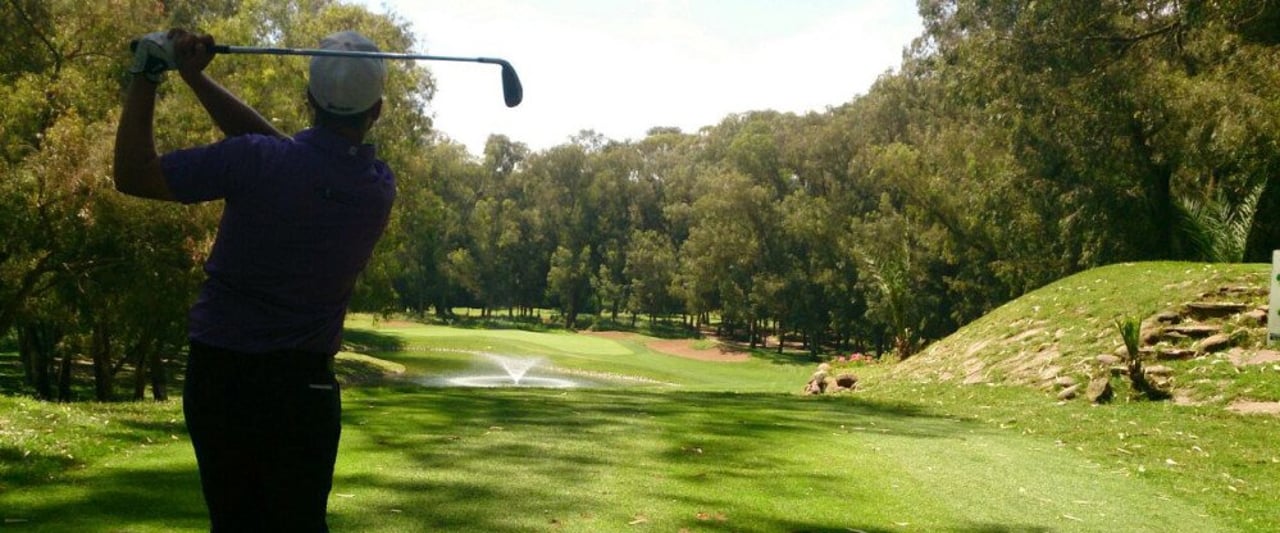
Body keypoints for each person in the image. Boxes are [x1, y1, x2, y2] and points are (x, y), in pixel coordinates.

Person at [113, 29, 396, 532]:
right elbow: (285, 154)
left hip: (222, 382)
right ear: (375, 111)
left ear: (308, 99)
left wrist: (149, 72)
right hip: (304, 387)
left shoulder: (257, 162)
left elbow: (134, 173)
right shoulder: (376, 187)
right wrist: (195, 80)